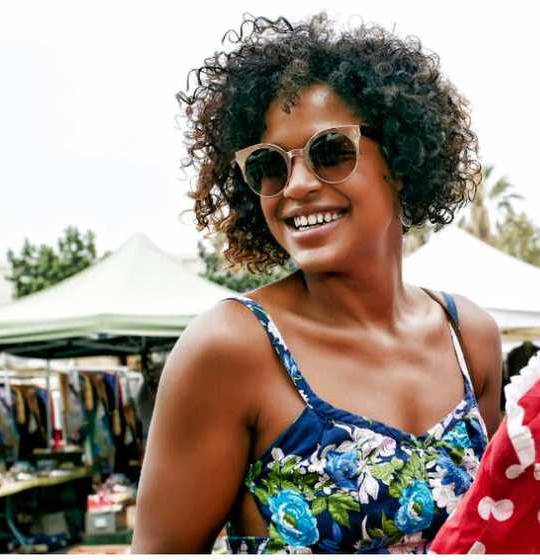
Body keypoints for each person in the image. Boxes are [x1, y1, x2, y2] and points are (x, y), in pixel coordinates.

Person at [132, 13, 503, 554]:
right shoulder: (231, 350)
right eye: (270, 166)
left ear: (398, 162)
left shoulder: (468, 338)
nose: (298, 186)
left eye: (331, 151)